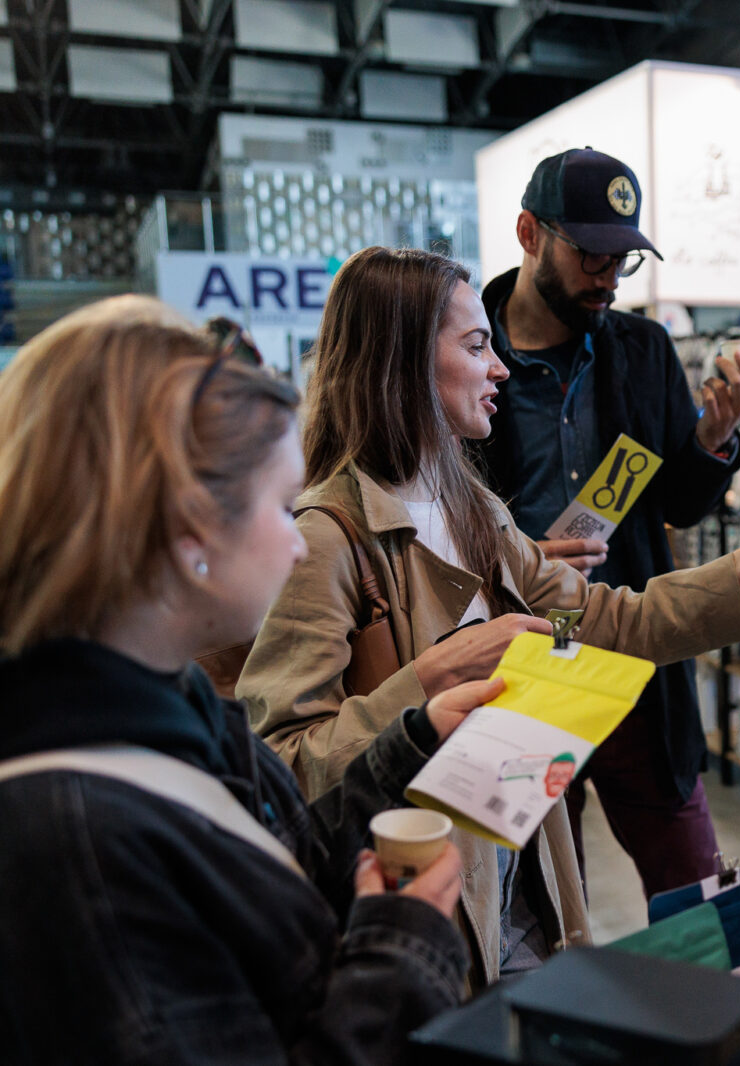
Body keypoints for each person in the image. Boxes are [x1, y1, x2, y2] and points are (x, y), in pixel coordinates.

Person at [239, 245, 740, 986]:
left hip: (520, 874)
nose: (500, 367)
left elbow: (596, 623)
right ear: (399, 363)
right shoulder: (326, 539)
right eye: (475, 346)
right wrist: (429, 683)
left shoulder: (475, 508)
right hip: (422, 915)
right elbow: (278, 770)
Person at [0, 296, 502, 1063]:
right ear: (189, 533)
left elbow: (274, 856)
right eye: (277, 505)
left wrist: (412, 743)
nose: (298, 543)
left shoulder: (172, 703)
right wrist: (401, 956)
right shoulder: (74, 842)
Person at [473, 147, 740, 899]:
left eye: (622, 260)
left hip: (630, 652)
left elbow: (679, 505)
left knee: (692, 883)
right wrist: (517, 558)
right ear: (530, 233)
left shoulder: (643, 350)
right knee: (536, 898)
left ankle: (712, 1015)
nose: (606, 277)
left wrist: (711, 443)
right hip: (523, 663)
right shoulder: (472, 356)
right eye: (590, 254)